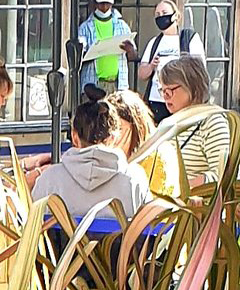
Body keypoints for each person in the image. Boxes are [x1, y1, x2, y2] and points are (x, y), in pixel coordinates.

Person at [31, 88, 150, 228]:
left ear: (74, 136)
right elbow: (149, 231)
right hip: (119, 250)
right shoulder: (134, 180)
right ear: (113, 137)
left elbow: (33, 230)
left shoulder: (49, 179)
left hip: (63, 250)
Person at [155, 55, 231, 187]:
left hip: (196, 204)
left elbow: (223, 175)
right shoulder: (167, 124)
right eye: (162, 90)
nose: (165, 96)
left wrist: (181, 189)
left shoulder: (212, 122)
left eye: (170, 90)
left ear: (193, 87)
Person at [136, 0, 207, 111]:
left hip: (182, 102)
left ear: (176, 16)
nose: (161, 17)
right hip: (157, 102)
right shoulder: (154, 42)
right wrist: (151, 66)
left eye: (164, 13)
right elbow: (141, 74)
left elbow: (199, 69)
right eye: (157, 14)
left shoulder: (189, 38)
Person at [77, 0, 138, 95]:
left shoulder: (122, 26)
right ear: (95, 2)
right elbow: (78, 59)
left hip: (118, 84)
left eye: (107, 3)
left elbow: (133, 56)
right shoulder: (85, 28)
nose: (104, 6)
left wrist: (130, 50)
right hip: (93, 85)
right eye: (101, 3)